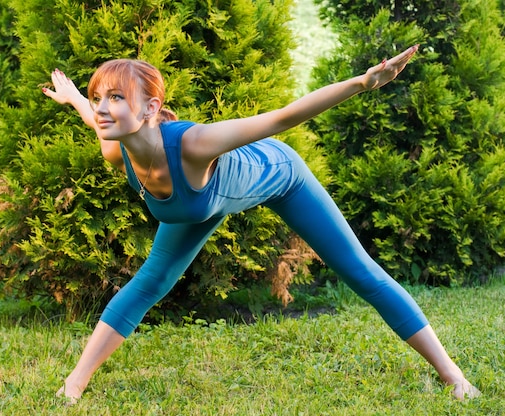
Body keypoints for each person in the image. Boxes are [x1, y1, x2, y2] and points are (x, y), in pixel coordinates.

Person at [42, 44, 480, 403]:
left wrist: (363, 83)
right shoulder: (115, 147)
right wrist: (76, 98)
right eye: (100, 96)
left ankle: (454, 377)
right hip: (203, 206)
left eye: (115, 98)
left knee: (361, 273)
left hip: (279, 175)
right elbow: (95, 118)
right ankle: (73, 385)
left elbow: (282, 118)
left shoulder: (194, 145)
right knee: (149, 283)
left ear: (150, 107)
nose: (102, 108)